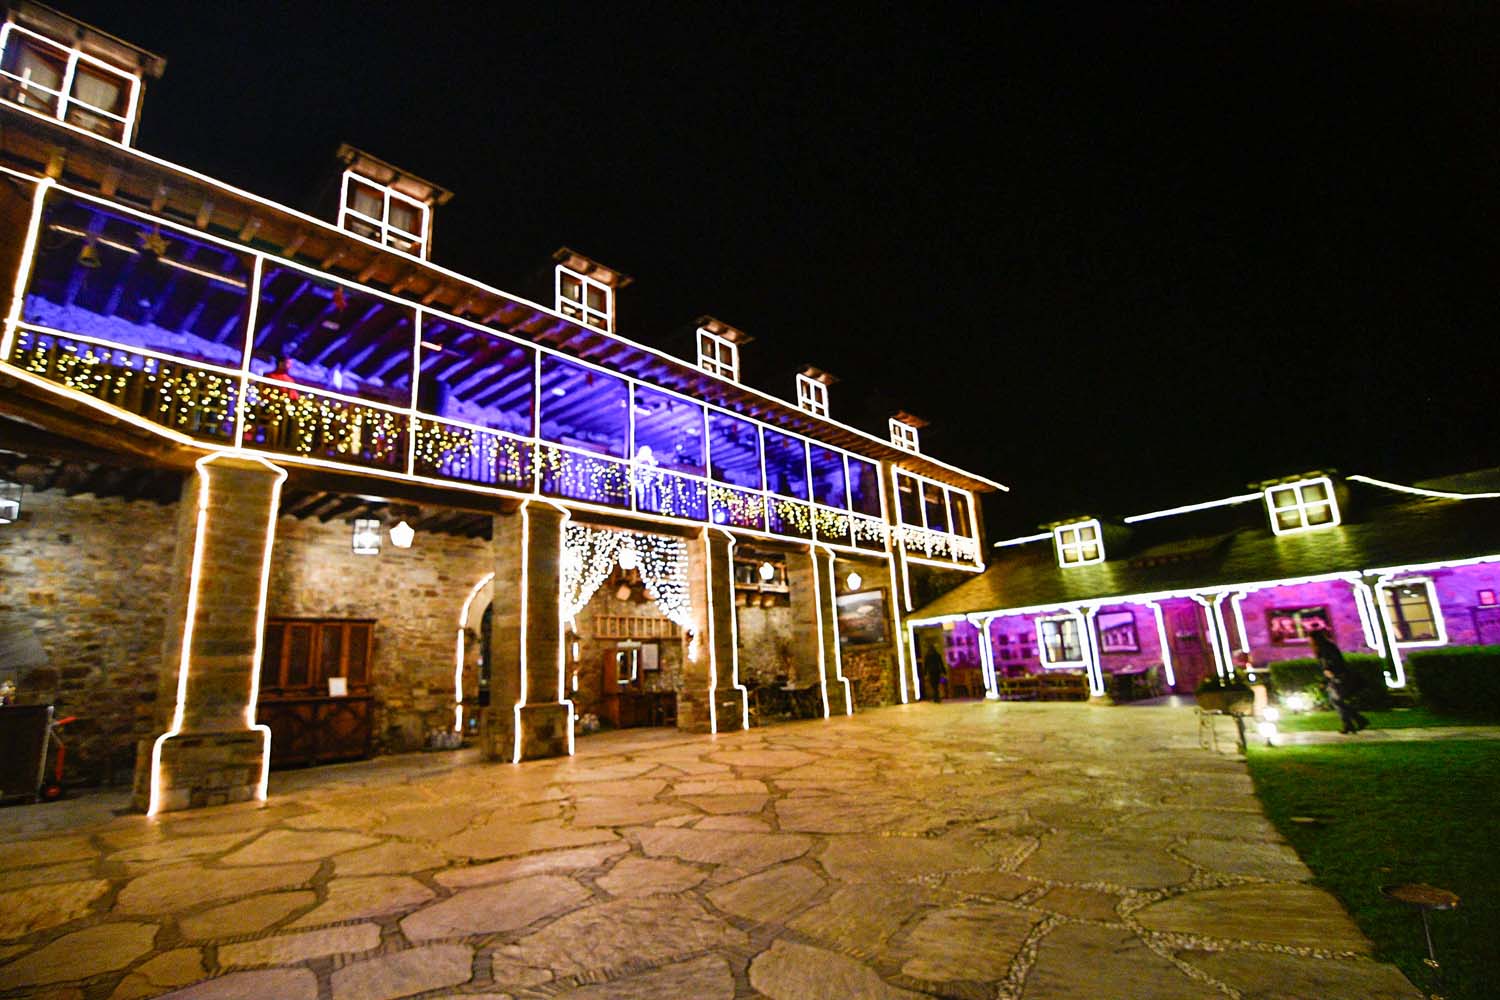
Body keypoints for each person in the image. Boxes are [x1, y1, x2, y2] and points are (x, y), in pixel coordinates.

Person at [1309, 628, 1368, 734]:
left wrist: (1329, 670)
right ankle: (1353, 723)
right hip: (1334, 677)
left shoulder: (1326, 648)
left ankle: (1356, 721)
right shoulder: (1325, 648)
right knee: (1337, 701)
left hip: (1338, 676)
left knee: (1337, 700)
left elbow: (1334, 661)